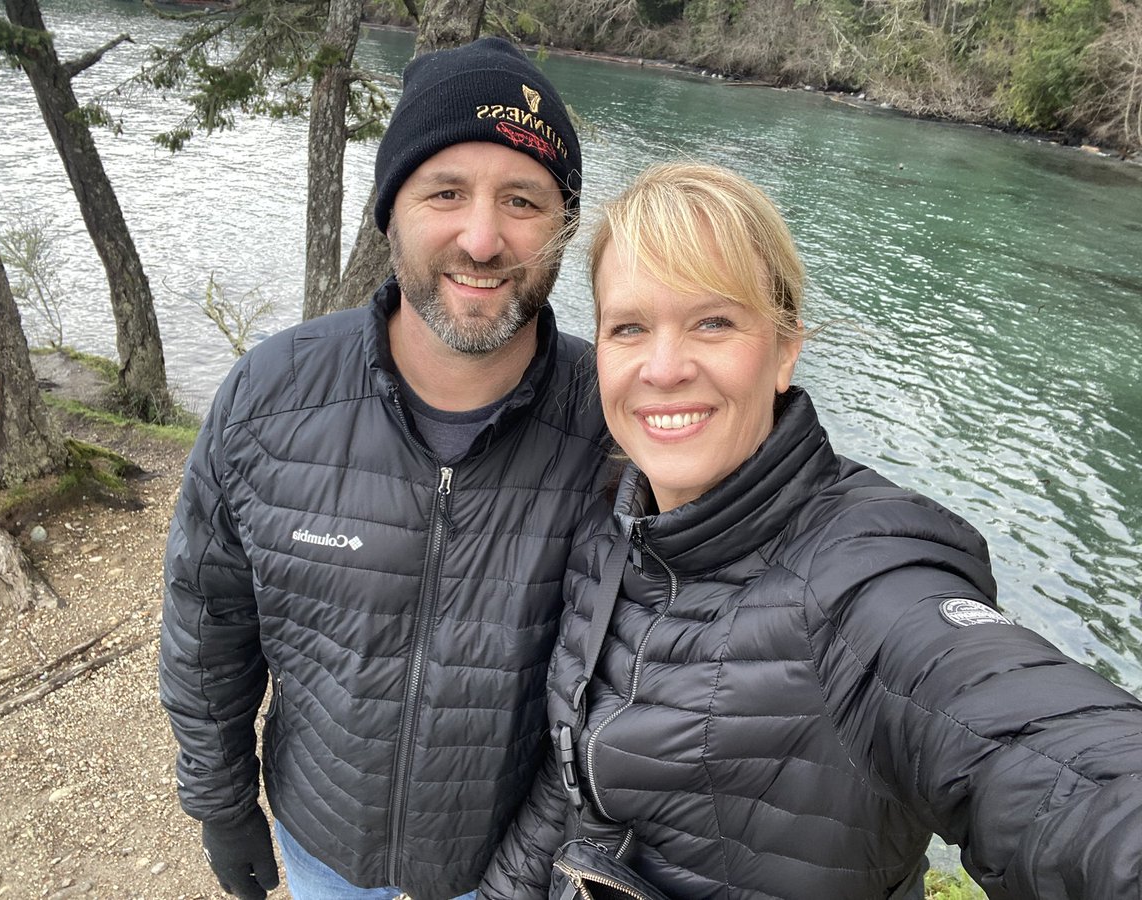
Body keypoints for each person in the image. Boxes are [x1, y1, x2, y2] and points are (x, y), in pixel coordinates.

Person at [479, 162, 1142, 899]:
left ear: (786, 347)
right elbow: (571, 790)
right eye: (629, 327)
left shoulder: (861, 574)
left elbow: (1056, 761)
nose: (663, 367)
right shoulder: (617, 531)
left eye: (714, 322)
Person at [159, 37, 608, 900]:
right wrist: (221, 804)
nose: (482, 238)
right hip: (325, 842)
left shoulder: (617, 426)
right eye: (446, 192)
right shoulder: (269, 396)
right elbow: (207, 624)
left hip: (519, 867)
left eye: (522, 199)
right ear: (390, 208)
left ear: (562, 227)